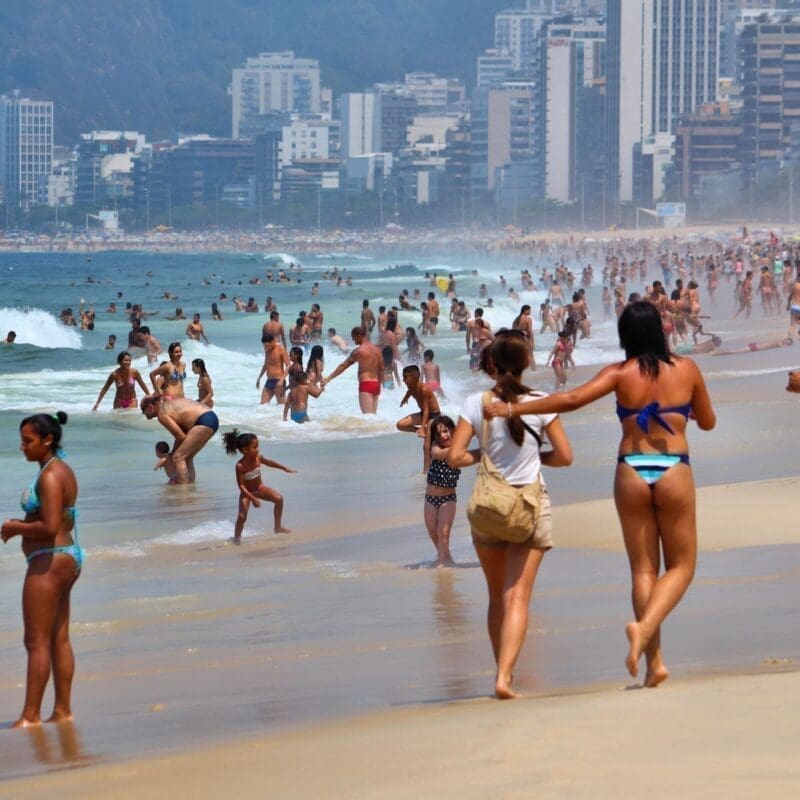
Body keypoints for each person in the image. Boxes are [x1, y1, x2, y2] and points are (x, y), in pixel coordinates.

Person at [485, 302, 716, 686]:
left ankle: (653, 663)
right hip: (673, 467)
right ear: (660, 332)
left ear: (627, 336)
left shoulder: (619, 373)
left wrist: (512, 410)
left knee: (643, 570)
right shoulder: (687, 369)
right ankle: (643, 632)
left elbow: (572, 400)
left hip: (630, 471)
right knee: (681, 567)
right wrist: (684, 408)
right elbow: (707, 423)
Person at [448, 333, 573, 699]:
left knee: (495, 596)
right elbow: (565, 456)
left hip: (488, 506)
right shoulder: (541, 403)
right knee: (517, 596)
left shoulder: (476, 403)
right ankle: (505, 675)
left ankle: (502, 673)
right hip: (529, 505)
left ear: (492, 364)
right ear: (526, 362)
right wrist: (536, 458)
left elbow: (455, 457)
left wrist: (484, 454)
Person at [1, 411, 83, 727]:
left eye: (28, 441)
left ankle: (30, 716)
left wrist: (14, 527)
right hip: (67, 556)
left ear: (47, 440)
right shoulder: (61, 470)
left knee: (36, 642)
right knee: (58, 637)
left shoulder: (49, 476)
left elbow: (49, 526)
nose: (22, 447)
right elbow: (66, 518)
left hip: (50, 558)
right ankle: (62, 710)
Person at [222, 429, 296, 540]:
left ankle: (277, 527)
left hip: (260, 488)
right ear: (245, 450)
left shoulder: (258, 458)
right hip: (247, 494)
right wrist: (252, 499)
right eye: (255, 447)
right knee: (242, 517)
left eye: (258, 446)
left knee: (279, 499)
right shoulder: (240, 466)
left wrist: (284, 468)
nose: (258, 449)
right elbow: (241, 486)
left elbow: (269, 462)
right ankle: (237, 539)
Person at [140, 395, 219, 484]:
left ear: (150, 407)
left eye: (143, 410)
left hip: (203, 420)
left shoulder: (161, 414)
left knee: (178, 458)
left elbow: (180, 436)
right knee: (187, 457)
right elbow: (182, 434)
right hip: (210, 417)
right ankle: (190, 487)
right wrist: (173, 453)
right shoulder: (168, 406)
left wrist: (172, 454)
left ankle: (183, 492)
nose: (143, 414)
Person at [424, 416, 460, 567]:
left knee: (443, 533)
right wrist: (460, 445)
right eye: (439, 434)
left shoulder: (458, 453)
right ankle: (446, 557)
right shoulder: (435, 448)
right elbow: (439, 455)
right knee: (432, 531)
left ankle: (441, 561)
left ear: (453, 430)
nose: (443, 436)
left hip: (448, 499)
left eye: (446, 431)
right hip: (430, 498)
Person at [322, 327, 384, 414]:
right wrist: (379, 385)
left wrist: (328, 378)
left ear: (359, 336)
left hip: (366, 384)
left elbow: (343, 366)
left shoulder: (359, 351)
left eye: (353, 337)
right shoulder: (378, 350)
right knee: (373, 416)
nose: (352, 340)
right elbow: (382, 369)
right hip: (376, 384)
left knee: (367, 417)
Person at [397, 365, 441, 471]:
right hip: (423, 414)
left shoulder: (425, 389)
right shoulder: (411, 387)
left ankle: (426, 472)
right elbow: (410, 392)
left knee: (426, 447)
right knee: (400, 425)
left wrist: (422, 427)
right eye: (403, 377)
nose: (403, 380)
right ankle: (426, 432)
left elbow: (427, 410)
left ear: (415, 377)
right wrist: (405, 399)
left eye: (405, 378)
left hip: (434, 416)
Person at [257, 332, 289, 405]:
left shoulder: (281, 350)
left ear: (272, 341)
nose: (266, 348)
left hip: (279, 381)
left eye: (267, 345)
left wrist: (282, 380)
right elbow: (265, 365)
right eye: (264, 346)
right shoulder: (267, 350)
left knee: (282, 406)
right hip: (269, 381)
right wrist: (259, 378)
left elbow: (288, 366)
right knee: (262, 405)